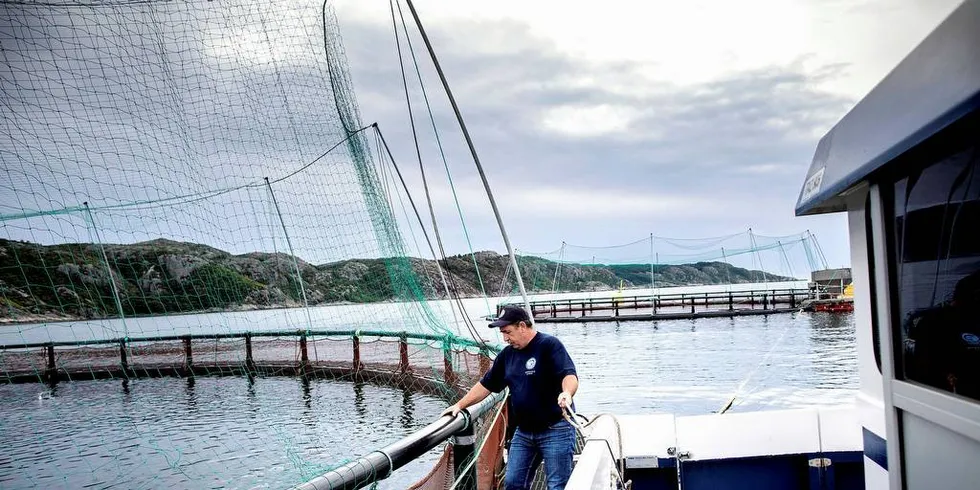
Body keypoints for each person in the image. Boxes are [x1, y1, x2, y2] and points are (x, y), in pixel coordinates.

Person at [442, 305, 579, 490]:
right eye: (502, 333)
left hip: (555, 428)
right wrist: (460, 405)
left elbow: (568, 375)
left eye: (508, 332)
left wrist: (566, 393)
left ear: (522, 326)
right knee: (513, 483)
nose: (505, 338)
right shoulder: (507, 355)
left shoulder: (549, 345)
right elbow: (486, 385)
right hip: (523, 432)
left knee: (557, 485)